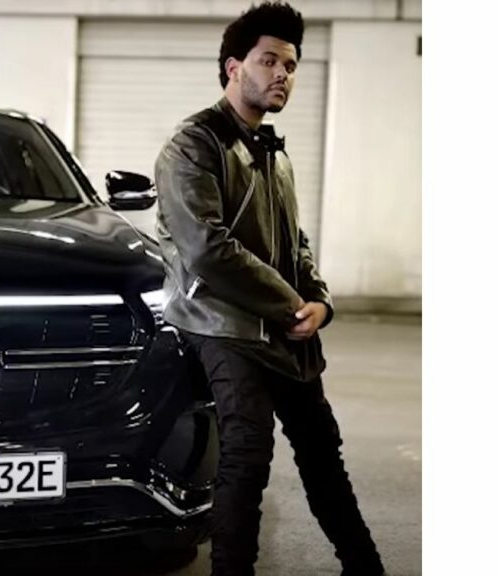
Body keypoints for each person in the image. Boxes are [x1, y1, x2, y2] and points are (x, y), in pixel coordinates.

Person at [152, 2, 386, 575]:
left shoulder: (274, 155)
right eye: (269, 61)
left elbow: (294, 242)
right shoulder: (192, 146)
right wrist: (290, 305)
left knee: (323, 456)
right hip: (223, 325)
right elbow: (208, 250)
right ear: (234, 67)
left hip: (286, 329)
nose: (283, 74)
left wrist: (322, 303)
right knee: (248, 457)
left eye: (291, 64)